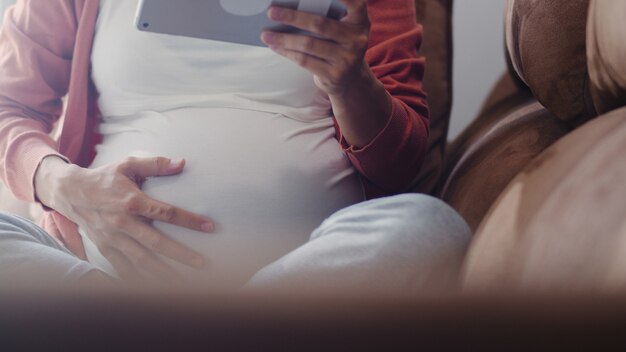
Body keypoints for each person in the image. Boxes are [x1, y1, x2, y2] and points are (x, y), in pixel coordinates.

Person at [0, 0, 471, 294]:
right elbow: (8, 106)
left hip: (304, 267)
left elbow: (400, 164)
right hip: (101, 273)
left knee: (430, 229)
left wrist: (350, 82)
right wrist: (63, 185)